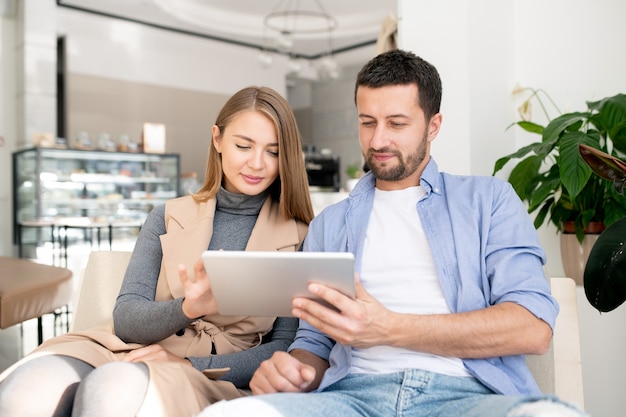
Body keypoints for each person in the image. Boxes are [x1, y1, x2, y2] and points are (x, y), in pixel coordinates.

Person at [197, 50, 591, 417]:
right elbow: (314, 344)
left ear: (433, 125)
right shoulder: (329, 224)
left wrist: (389, 328)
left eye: (397, 124)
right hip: (351, 398)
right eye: (367, 122)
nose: (378, 140)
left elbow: (532, 327)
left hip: (468, 397)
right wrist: (293, 373)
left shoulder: (488, 201)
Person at [0, 86, 314, 417]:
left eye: (273, 152)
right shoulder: (167, 216)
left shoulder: (302, 236)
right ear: (217, 140)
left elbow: (285, 348)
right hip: (119, 348)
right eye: (243, 146)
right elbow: (125, 320)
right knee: (22, 395)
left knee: (110, 390)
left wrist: (190, 363)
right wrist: (189, 308)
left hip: (207, 374)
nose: (257, 163)